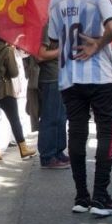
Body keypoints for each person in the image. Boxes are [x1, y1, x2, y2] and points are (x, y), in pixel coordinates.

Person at [47, 0, 112, 217]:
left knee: (76, 134)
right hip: (101, 75)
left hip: (69, 77)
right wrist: (98, 44)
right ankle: (101, 198)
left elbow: (55, 40)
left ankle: (81, 197)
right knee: (106, 132)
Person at [0, 34, 36, 162]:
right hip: (4, 92)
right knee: (14, 119)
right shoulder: (7, 50)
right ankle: (23, 149)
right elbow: (14, 72)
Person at [35, 23, 69, 169]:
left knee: (61, 118)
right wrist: (63, 51)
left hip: (62, 78)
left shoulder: (63, 25)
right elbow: (40, 55)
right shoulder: (48, 26)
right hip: (51, 78)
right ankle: (48, 156)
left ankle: (58, 152)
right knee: (50, 118)